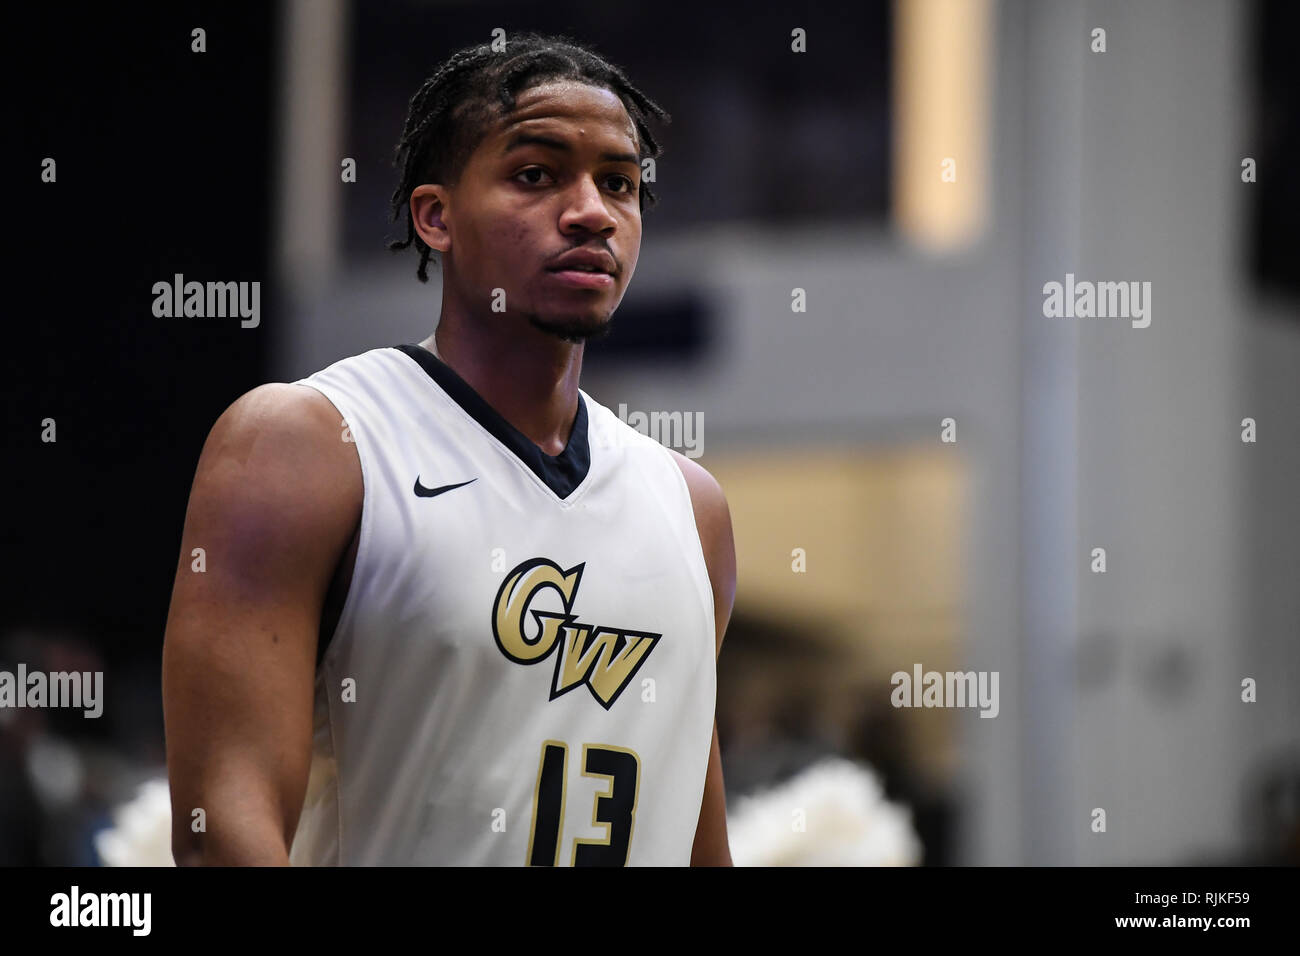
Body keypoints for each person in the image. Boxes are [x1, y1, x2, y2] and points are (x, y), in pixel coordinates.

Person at [162, 33, 736, 866]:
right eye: (536, 175)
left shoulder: (693, 506)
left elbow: (693, 832)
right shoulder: (306, 442)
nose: (591, 211)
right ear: (435, 216)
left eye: (620, 183)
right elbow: (222, 830)